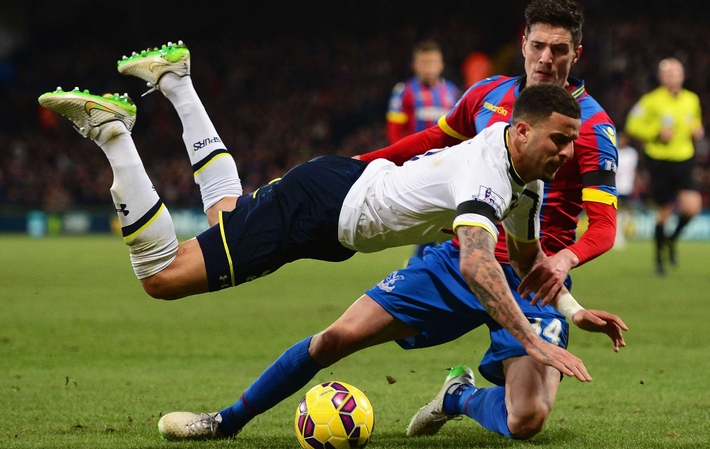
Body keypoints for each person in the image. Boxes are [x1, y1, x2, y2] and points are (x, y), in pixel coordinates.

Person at [38, 42, 593, 393]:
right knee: (162, 278)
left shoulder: (525, 180)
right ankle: (112, 135)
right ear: (523, 130)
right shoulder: (487, 171)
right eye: (562, 140)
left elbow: (524, 257)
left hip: (332, 200)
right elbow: (477, 263)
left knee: (226, 217)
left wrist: (573, 306)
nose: (569, 153)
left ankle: (178, 82)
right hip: (321, 210)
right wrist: (533, 340)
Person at [355, 0, 621, 439]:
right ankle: (228, 417)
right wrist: (355, 165)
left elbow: (605, 226)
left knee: (527, 419)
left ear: (577, 53)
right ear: (523, 43)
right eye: (538, 46)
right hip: (463, 257)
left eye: (558, 49)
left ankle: (457, 396)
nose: (546, 59)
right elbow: (429, 140)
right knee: (340, 337)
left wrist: (565, 260)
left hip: (532, 277)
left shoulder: (591, 126)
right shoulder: (487, 95)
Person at [624, 57, 704, 275]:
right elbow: (632, 124)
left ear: (683, 76)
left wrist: (697, 129)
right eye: (669, 74)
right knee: (665, 212)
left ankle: (672, 239)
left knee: (692, 207)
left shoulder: (691, 99)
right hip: (659, 160)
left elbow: (694, 120)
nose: (674, 77)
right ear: (661, 77)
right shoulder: (650, 101)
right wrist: (656, 133)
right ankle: (659, 261)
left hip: (684, 157)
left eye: (677, 73)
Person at [386, 39, 461, 260]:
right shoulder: (404, 92)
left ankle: (422, 267)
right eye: (424, 63)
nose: (428, 67)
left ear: (441, 65)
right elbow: (394, 131)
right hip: (418, 168)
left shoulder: (452, 92)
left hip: (448, 168)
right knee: (432, 220)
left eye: (433, 62)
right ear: (415, 65)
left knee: (446, 222)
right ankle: (420, 267)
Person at [613, 132, 639, 250]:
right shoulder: (613, 151)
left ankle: (620, 234)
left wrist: (634, 184)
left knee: (624, 212)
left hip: (626, 187)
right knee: (614, 211)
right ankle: (615, 235)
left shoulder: (632, 153)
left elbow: (633, 170)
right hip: (613, 186)